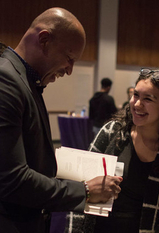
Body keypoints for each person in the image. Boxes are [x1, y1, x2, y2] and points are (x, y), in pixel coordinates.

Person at [0, 8, 122, 233]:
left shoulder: (26, 81)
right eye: (69, 58)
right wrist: (84, 190)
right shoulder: (6, 80)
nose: (69, 70)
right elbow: (11, 179)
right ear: (44, 39)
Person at [82, 68, 159, 232]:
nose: (137, 104)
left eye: (148, 99)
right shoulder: (112, 131)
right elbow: (81, 181)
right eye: (135, 95)